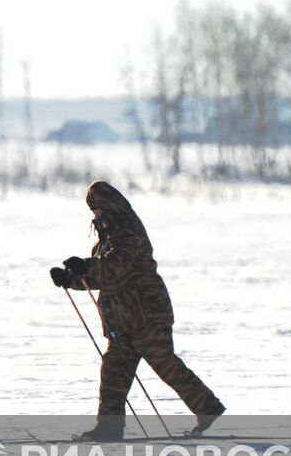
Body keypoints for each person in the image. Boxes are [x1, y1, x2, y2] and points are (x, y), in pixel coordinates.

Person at [49, 180, 225, 440]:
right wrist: (71, 279)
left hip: (147, 314)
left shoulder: (127, 230)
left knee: (165, 364)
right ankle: (108, 428)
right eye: (92, 210)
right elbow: (103, 277)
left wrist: (85, 265)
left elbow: (115, 265)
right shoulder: (107, 236)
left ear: (108, 206)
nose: (94, 214)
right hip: (123, 320)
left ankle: (207, 408)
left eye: (96, 208)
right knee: (113, 374)